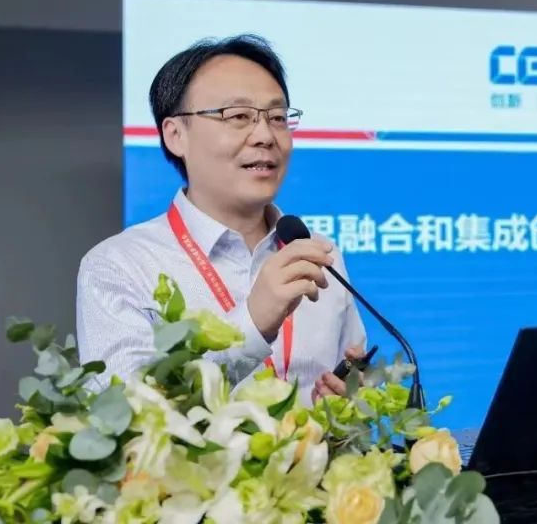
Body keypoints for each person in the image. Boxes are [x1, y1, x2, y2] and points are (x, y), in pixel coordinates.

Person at [77, 34, 364, 405]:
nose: (265, 135)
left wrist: (347, 409)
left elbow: (350, 387)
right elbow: (121, 416)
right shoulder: (119, 266)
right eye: (239, 116)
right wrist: (252, 325)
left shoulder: (319, 255)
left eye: (277, 117)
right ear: (176, 135)